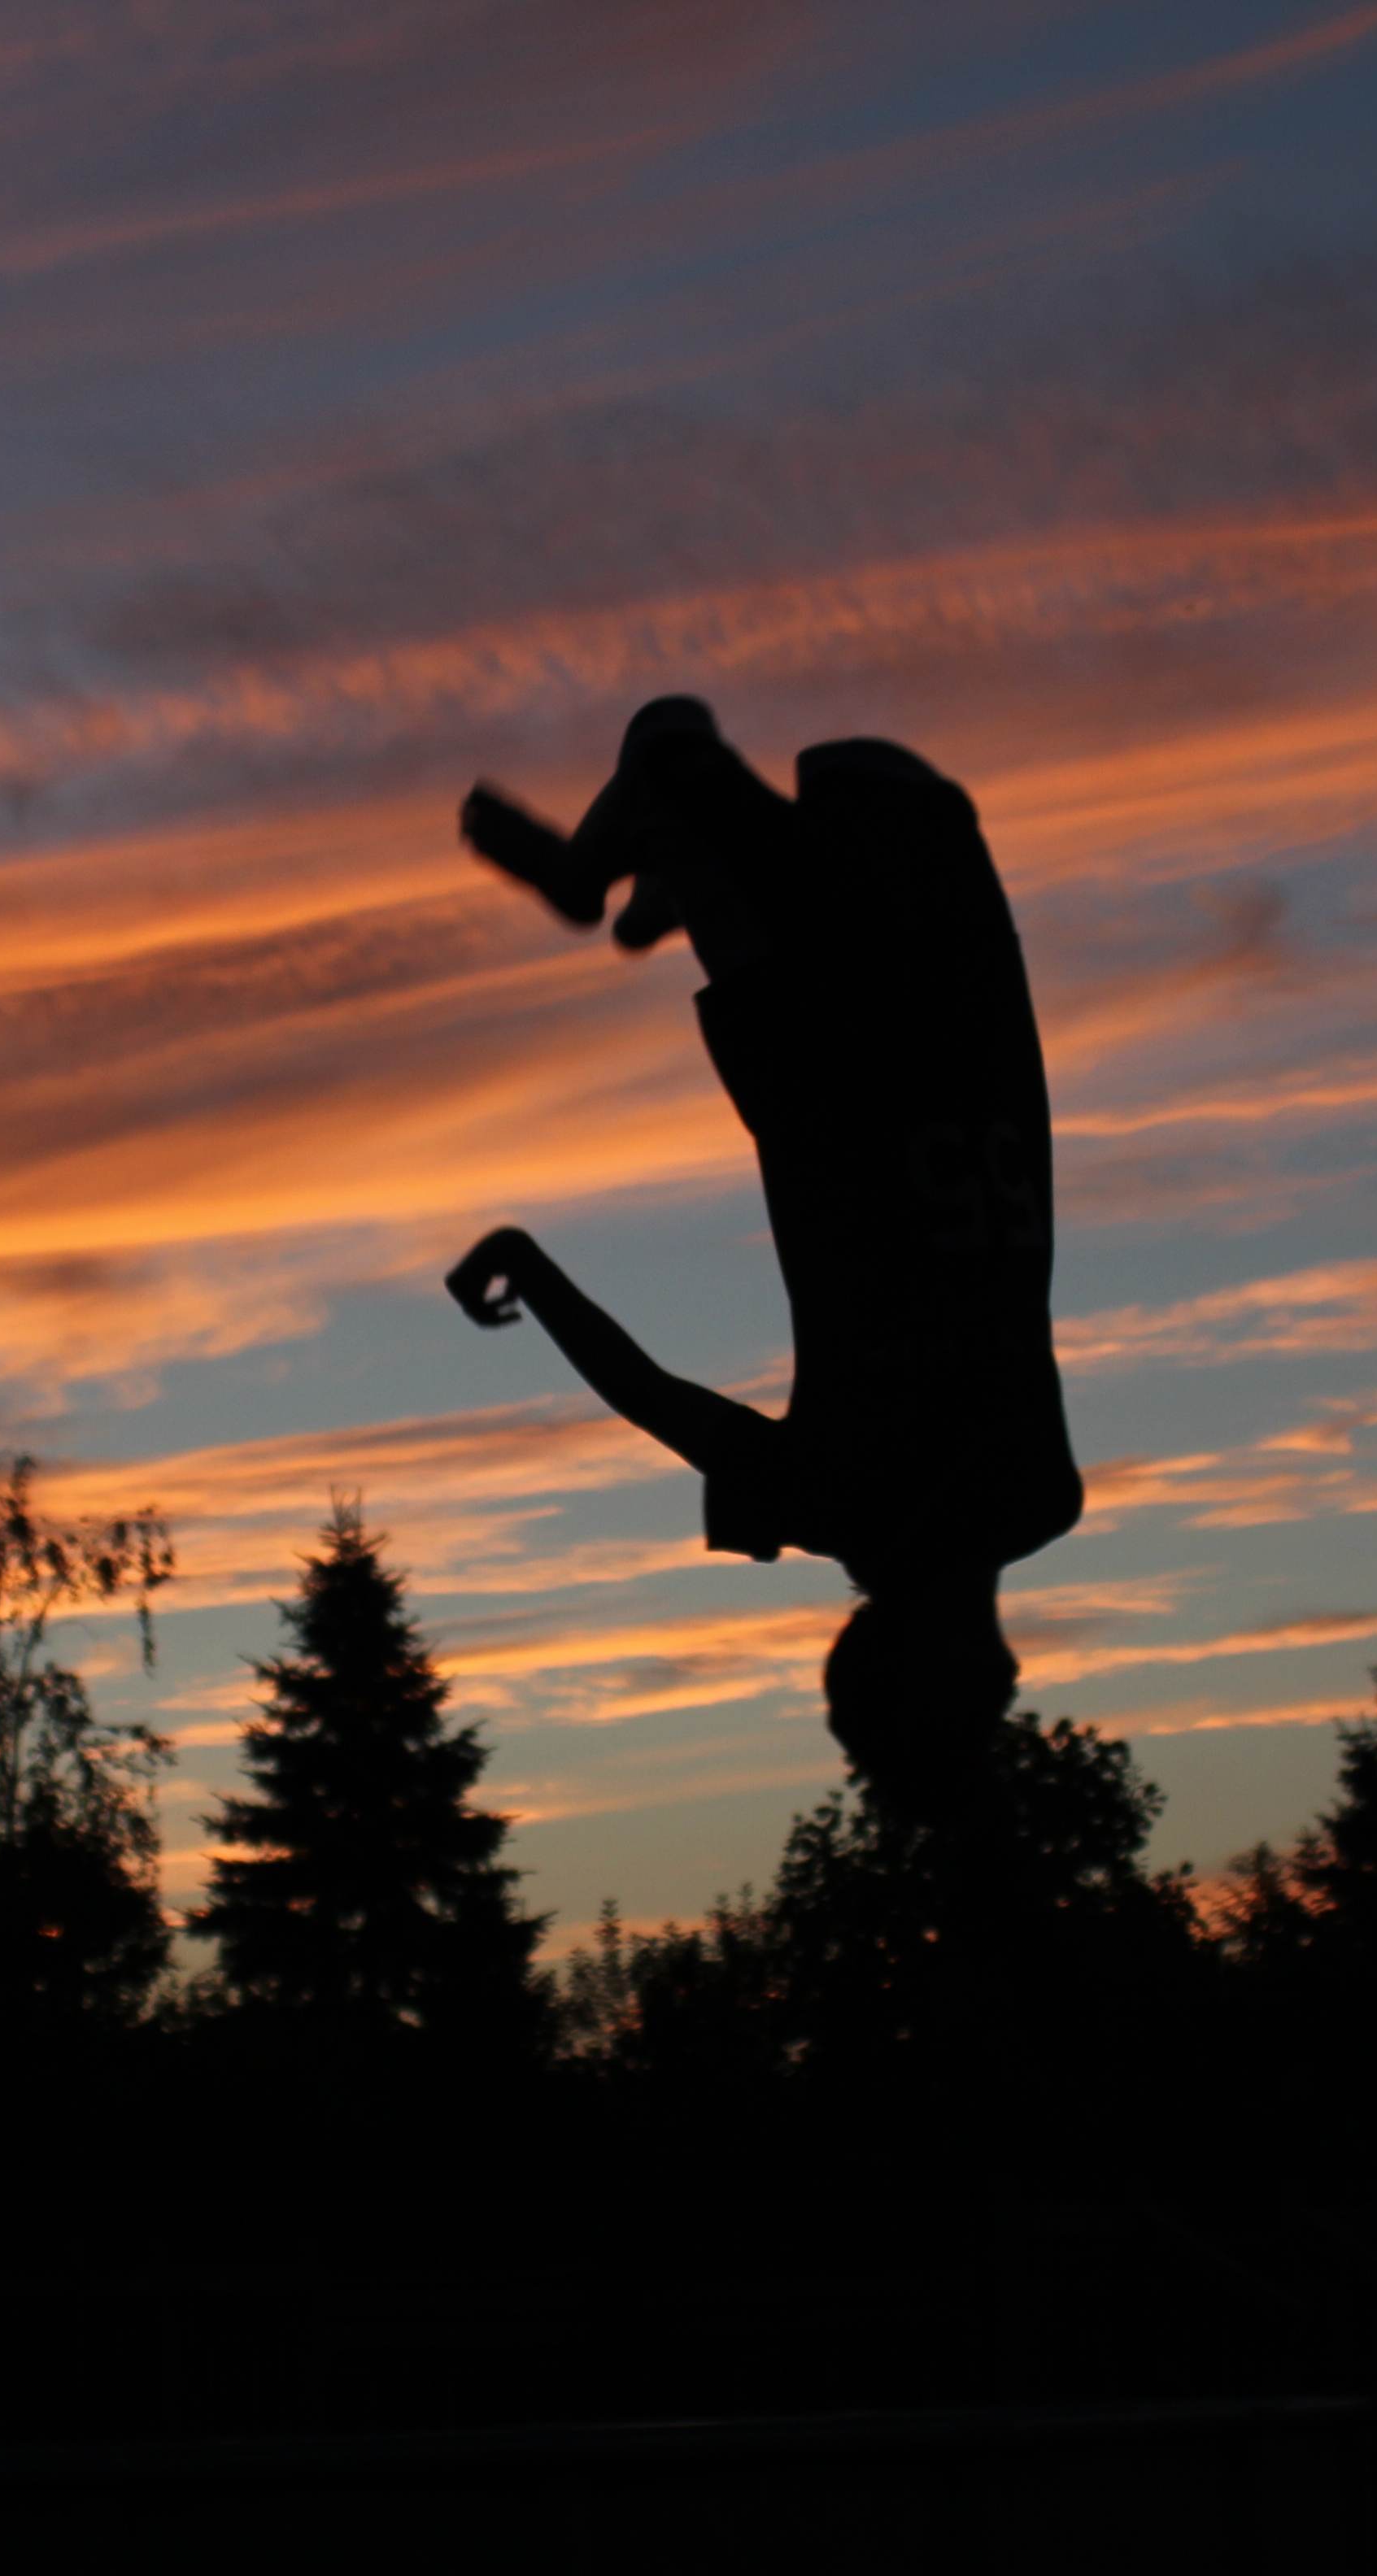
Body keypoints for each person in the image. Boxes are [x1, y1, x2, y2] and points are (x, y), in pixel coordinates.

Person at [448, 695, 1081, 1817]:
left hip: (871, 1012)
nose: (1006, 1691)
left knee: (692, 749)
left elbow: (656, 1402)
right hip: (900, 1007)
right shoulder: (954, 1499)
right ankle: (630, 878)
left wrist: (530, 1268)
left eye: (975, 1711)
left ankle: (636, 875)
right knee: (718, 757)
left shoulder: (988, 1495)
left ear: (936, 1675)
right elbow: (656, 1401)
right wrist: (525, 1267)